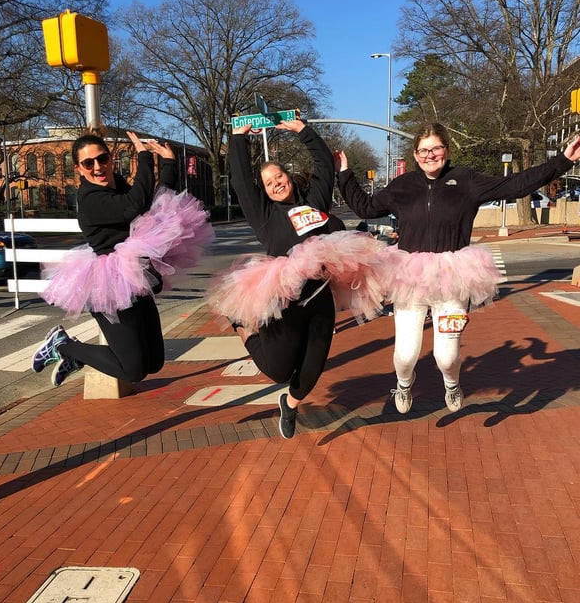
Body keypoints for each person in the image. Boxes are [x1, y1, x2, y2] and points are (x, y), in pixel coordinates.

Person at [335, 123, 580, 414]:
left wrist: (563, 161)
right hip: (409, 277)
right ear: (415, 155)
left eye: (436, 148)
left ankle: (452, 384)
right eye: (423, 150)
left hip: (453, 277)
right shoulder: (403, 186)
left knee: (447, 356)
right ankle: (403, 383)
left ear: (446, 151)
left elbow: (516, 185)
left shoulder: (465, 180)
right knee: (405, 354)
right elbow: (365, 207)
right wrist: (344, 174)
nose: (430, 155)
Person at [208, 118, 386, 439]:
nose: (276, 183)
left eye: (279, 176)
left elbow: (323, 167)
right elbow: (241, 184)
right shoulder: (264, 216)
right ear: (263, 191)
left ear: (289, 177)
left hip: (319, 297)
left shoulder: (314, 205)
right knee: (278, 370)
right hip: (284, 301)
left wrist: (302, 130)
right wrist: (237, 139)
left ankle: (289, 404)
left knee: (312, 370)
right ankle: (243, 326)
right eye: (268, 182)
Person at [31, 131, 213, 387]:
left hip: (136, 278)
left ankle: (76, 356)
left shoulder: (117, 185)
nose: (97, 167)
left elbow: (155, 208)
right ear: (78, 168)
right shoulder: (90, 199)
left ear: (110, 158)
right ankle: (64, 347)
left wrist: (170, 164)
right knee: (133, 370)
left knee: (155, 362)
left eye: (102, 159)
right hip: (109, 284)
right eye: (88, 163)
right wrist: (145, 157)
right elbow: (133, 206)